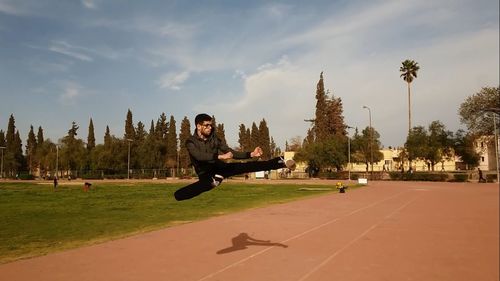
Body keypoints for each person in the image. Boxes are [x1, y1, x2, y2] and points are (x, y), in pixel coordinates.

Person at [174, 113, 296, 201]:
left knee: (249, 166)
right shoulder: (190, 142)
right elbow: (199, 156)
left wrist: (251, 154)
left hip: (220, 168)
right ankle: (179, 195)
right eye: (206, 125)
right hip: (205, 173)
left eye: (211, 125)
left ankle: (280, 162)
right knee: (203, 186)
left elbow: (231, 152)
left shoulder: (215, 139)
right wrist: (220, 157)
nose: (210, 127)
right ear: (198, 126)